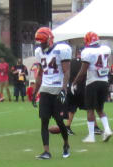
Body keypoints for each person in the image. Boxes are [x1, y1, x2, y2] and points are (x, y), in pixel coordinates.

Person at [32, 27, 71, 159]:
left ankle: (66, 144)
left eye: (43, 42)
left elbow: (67, 71)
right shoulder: (39, 52)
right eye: (40, 42)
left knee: (59, 121)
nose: (41, 45)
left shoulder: (61, 50)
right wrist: (35, 92)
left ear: (49, 40)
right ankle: (46, 151)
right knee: (44, 121)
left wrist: (64, 89)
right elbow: (40, 73)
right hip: (45, 89)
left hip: (58, 88)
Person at [74, 32, 113, 143]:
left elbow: (83, 71)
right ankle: (107, 129)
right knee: (100, 109)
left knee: (90, 109)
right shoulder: (105, 49)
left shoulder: (87, 52)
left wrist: (75, 82)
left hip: (92, 82)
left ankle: (91, 136)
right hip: (104, 82)